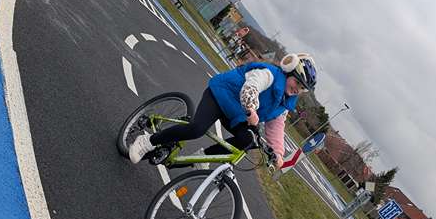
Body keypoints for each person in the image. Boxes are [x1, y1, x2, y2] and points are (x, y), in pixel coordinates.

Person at [128, 53, 318, 168]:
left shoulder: (285, 104)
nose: (297, 89)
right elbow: (250, 88)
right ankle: (147, 141)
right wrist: (252, 109)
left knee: (249, 140)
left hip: (237, 114)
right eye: (297, 82)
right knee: (197, 129)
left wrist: (278, 153)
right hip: (220, 95)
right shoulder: (269, 74)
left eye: (302, 88)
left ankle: (203, 157)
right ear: (288, 71)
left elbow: (276, 127)